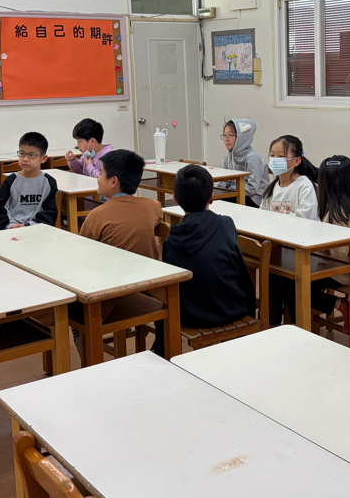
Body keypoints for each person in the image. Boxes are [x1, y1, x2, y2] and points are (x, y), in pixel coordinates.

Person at [152, 165, 256, 356]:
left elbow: (171, 285)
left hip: (191, 315)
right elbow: (240, 270)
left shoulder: (172, 238)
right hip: (231, 309)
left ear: (175, 199)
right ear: (211, 197)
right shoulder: (226, 224)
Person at [270, 155, 350, 326]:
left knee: (290, 282)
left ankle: (302, 323)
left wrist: (323, 258)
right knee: (288, 277)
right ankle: (291, 325)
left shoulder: (337, 213)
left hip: (347, 271)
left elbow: (337, 254)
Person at [79, 148, 162, 259]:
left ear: (114, 181)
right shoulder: (153, 206)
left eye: (101, 173)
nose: (97, 177)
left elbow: (83, 251)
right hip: (151, 269)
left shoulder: (96, 216)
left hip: (112, 269)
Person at [0, 132, 59, 230]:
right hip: (11, 230)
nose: (25, 159)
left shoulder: (49, 182)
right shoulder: (10, 181)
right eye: (22, 153)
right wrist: (11, 226)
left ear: (43, 159)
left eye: (31, 155)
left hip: (37, 230)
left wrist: (28, 226)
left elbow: (49, 214)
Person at [259, 135, 319, 219]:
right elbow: (262, 214)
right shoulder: (272, 188)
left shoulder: (304, 186)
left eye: (281, 156)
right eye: (272, 155)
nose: (275, 160)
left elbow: (306, 218)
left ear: (296, 161)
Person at [218, 118, 268, 207]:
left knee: (223, 205)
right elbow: (225, 181)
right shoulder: (227, 157)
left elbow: (252, 188)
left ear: (241, 138)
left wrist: (230, 191)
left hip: (254, 198)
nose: (226, 139)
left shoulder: (253, 158)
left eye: (230, 135)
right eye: (224, 135)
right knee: (212, 200)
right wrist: (218, 191)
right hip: (235, 192)